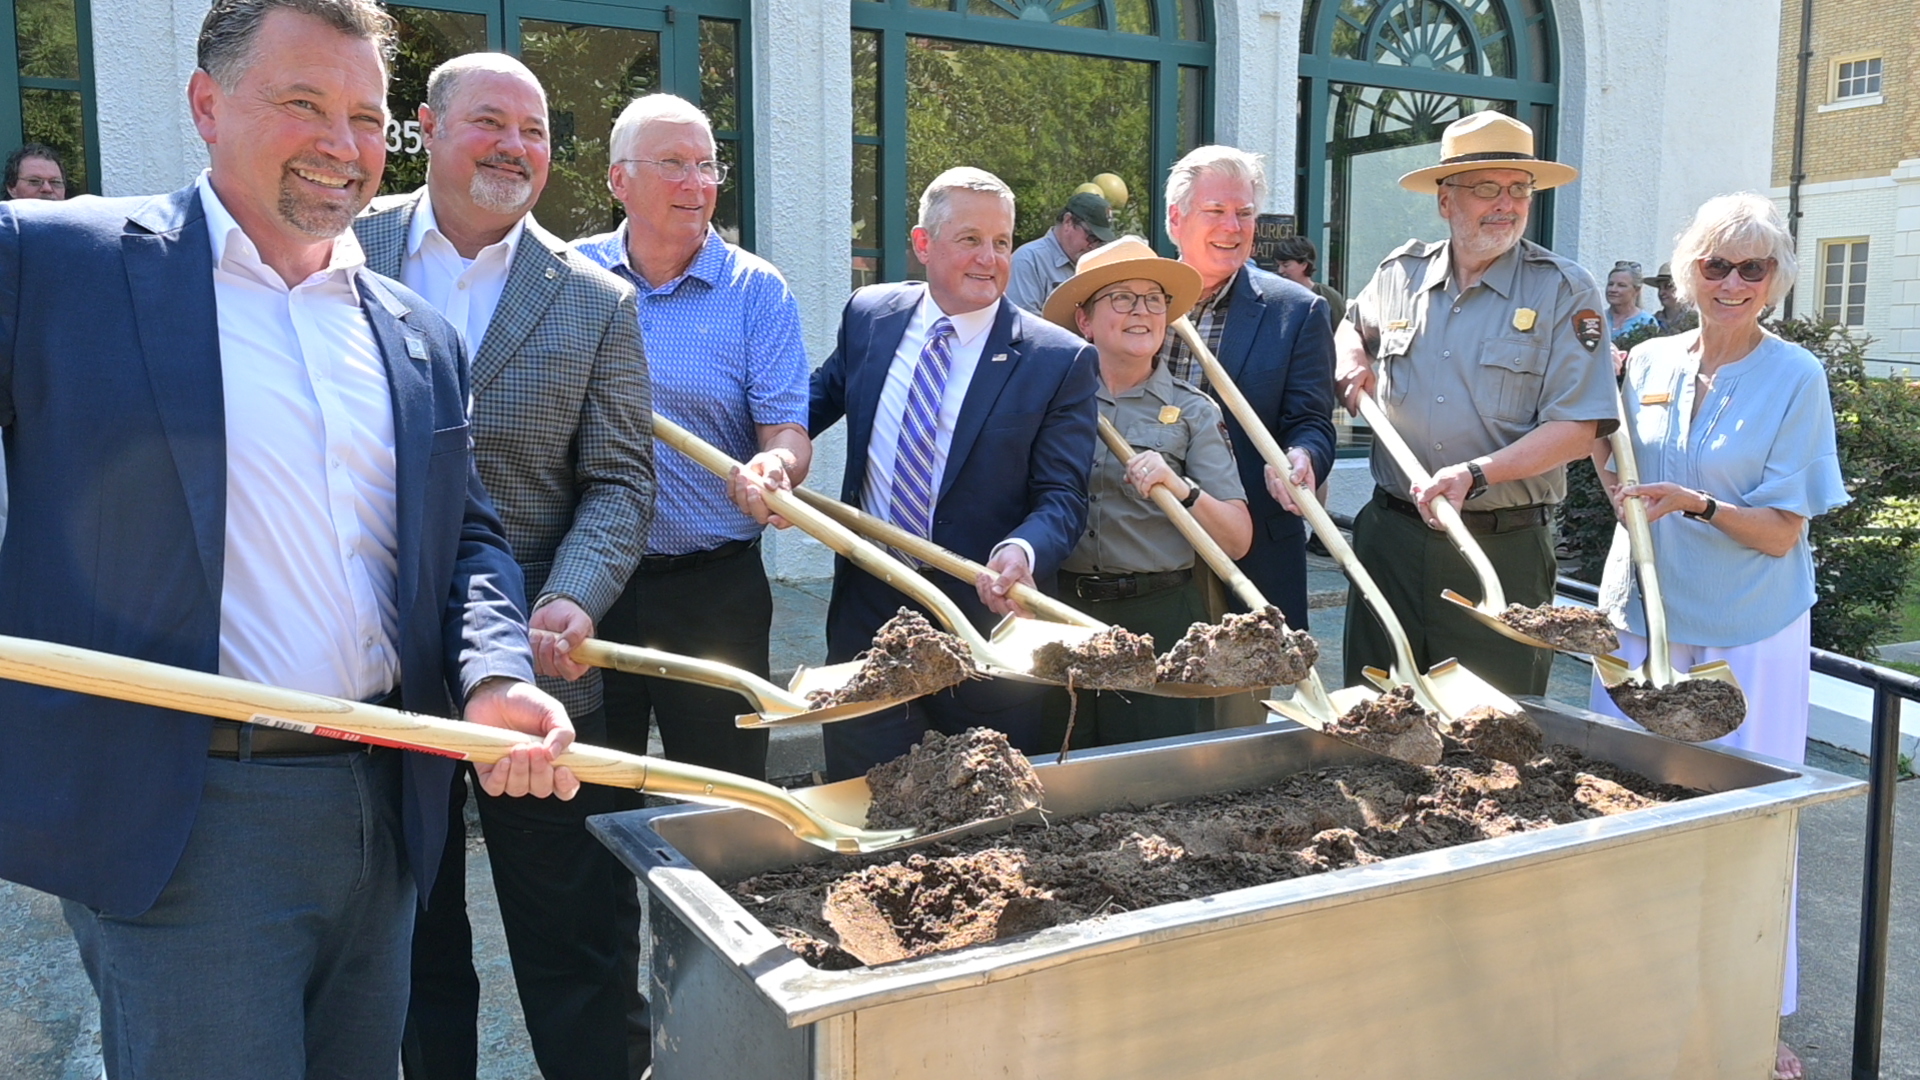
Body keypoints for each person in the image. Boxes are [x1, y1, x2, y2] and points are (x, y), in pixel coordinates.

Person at [0, 1, 579, 1076]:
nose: (342, 144)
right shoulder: (53, 263)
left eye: (365, 117)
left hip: (384, 805)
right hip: (186, 823)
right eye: (302, 103)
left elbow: (468, 544)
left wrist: (496, 675)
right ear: (207, 106)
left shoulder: (414, 331)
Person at [353, 53, 653, 1080]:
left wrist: (572, 594)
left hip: (539, 672)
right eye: (492, 122)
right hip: (376, 662)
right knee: (413, 936)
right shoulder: (342, 248)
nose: (516, 149)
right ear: (425, 128)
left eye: (535, 133)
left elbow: (621, 482)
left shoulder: (594, 298)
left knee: (571, 934)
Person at [1585, 194, 1846, 1080]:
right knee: (1625, 809)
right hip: (1639, 625)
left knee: (1746, 825)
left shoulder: (1796, 377)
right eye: (1715, 265)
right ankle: (1630, 997)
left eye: (1753, 268)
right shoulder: (1649, 358)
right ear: (1685, 271)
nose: (1732, 283)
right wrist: (1607, 436)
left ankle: (1747, 1013)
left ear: (1776, 281)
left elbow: (1781, 531)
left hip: (1747, 631)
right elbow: (1616, 469)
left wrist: (1695, 504)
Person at [807, 166, 1099, 780]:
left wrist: (1024, 550)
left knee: (985, 833)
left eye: (1002, 242)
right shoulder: (870, 317)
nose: (989, 259)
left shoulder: (1057, 360)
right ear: (923, 244)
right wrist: (775, 458)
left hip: (987, 634)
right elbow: (810, 405)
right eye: (970, 239)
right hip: (870, 621)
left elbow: (1063, 498)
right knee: (864, 811)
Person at [1336, 110, 1616, 696]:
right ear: (1446, 200)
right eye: (1487, 188)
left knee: (1493, 737)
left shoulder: (1564, 290)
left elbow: (1578, 427)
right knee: (1374, 717)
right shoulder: (1399, 274)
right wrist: (1351, 356)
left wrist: (1474, 475)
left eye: (1520, 190)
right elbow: (1350, 325)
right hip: (1390, 538)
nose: (1506, 204)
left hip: (1500, 549)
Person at [575, 93, 809, 785]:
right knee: (591, 798)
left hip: (714, 592)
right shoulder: (570, 276)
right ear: (620, 180)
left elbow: (787, 430)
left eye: (707, 165)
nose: (696, 183)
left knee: (723, 800)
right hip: (588, 584)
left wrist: (775, 465)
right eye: (673, 163)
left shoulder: (755, 290)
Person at [1037, 236, 1248, 747]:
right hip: (1064, 614)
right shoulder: (1048, 403)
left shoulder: (1194, 410)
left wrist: (1181, 489)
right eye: (1122, 298)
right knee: (1066, 767)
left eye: (1154, 299)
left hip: (1160, 618)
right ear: (1084, 320)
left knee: (1154, 771)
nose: (1142, 311)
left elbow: (1238, 541)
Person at [1158, 145, 1336, 728]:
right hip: (1143, 553)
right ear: (1175, 219)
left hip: (1252, 547)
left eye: (1245, 213)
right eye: (1216, 211)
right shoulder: (1134, 300)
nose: (1233, 228)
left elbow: (1313, 421)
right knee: (1150, 719)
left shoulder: (1296, 312)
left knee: (1237, 728)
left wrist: (1303, 457)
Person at [1005, 190, 1115, 314]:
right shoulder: (1029, 260)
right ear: (1068, 222)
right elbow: (1022, 324)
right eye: (1091, 237)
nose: (1094, 246)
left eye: (1101, 241)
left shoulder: (1094, 264)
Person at [1272, 234, 1345, 326]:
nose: (1280, 270)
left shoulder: (1328, 296)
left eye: (1286, 265)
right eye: (1278, 265)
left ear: (1304, 264)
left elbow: (1342, 331)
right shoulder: (1274, 296)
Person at [1606, 259, 1659, 343]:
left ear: (1636, 290)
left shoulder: (1646, 322)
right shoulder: (1598, 318)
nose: (1613, 289)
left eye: (1621, 285)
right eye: (1610, 284)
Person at [1647, 261, 1698, 333]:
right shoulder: (1652, 322)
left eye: (1668, 286)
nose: (1661, 292)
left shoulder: (1696, 321)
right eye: (1659, 288)